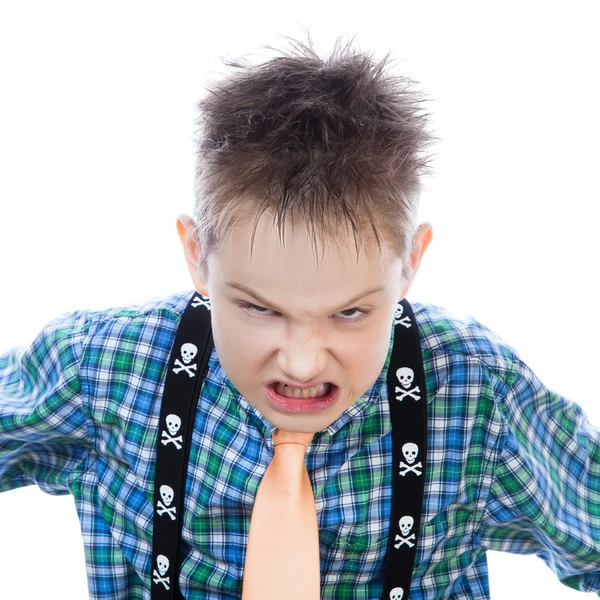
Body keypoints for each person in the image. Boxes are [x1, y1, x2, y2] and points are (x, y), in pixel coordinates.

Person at [1, 34, 599, 600]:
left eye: (350, 312)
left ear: (410, 262)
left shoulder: (479, 394)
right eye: (260, 307)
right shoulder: (100, 367)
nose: (302, 361)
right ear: (197, 255)